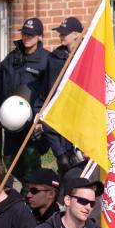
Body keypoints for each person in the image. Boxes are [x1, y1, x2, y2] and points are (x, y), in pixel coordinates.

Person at [0, 17, 49, 180]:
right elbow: (1, 81)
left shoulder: (46, 60)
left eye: (30, 35)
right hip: (11, 120)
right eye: (24, 34)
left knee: (30, 160)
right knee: (9, 161)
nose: (26, 38)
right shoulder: (12, 58)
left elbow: (52, 90)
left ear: (39, 37)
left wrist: (43, 119)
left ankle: (30, 195)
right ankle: (27, 189)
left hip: (33, 121)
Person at [45, 17, 83, 176]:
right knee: (66, 165)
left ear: (76, 34)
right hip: (61, 112)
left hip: (80, 113)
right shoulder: (55, 58)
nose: (61, 36)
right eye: (60, 33)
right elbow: (50, 89)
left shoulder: (86, 55)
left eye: (65, 33)